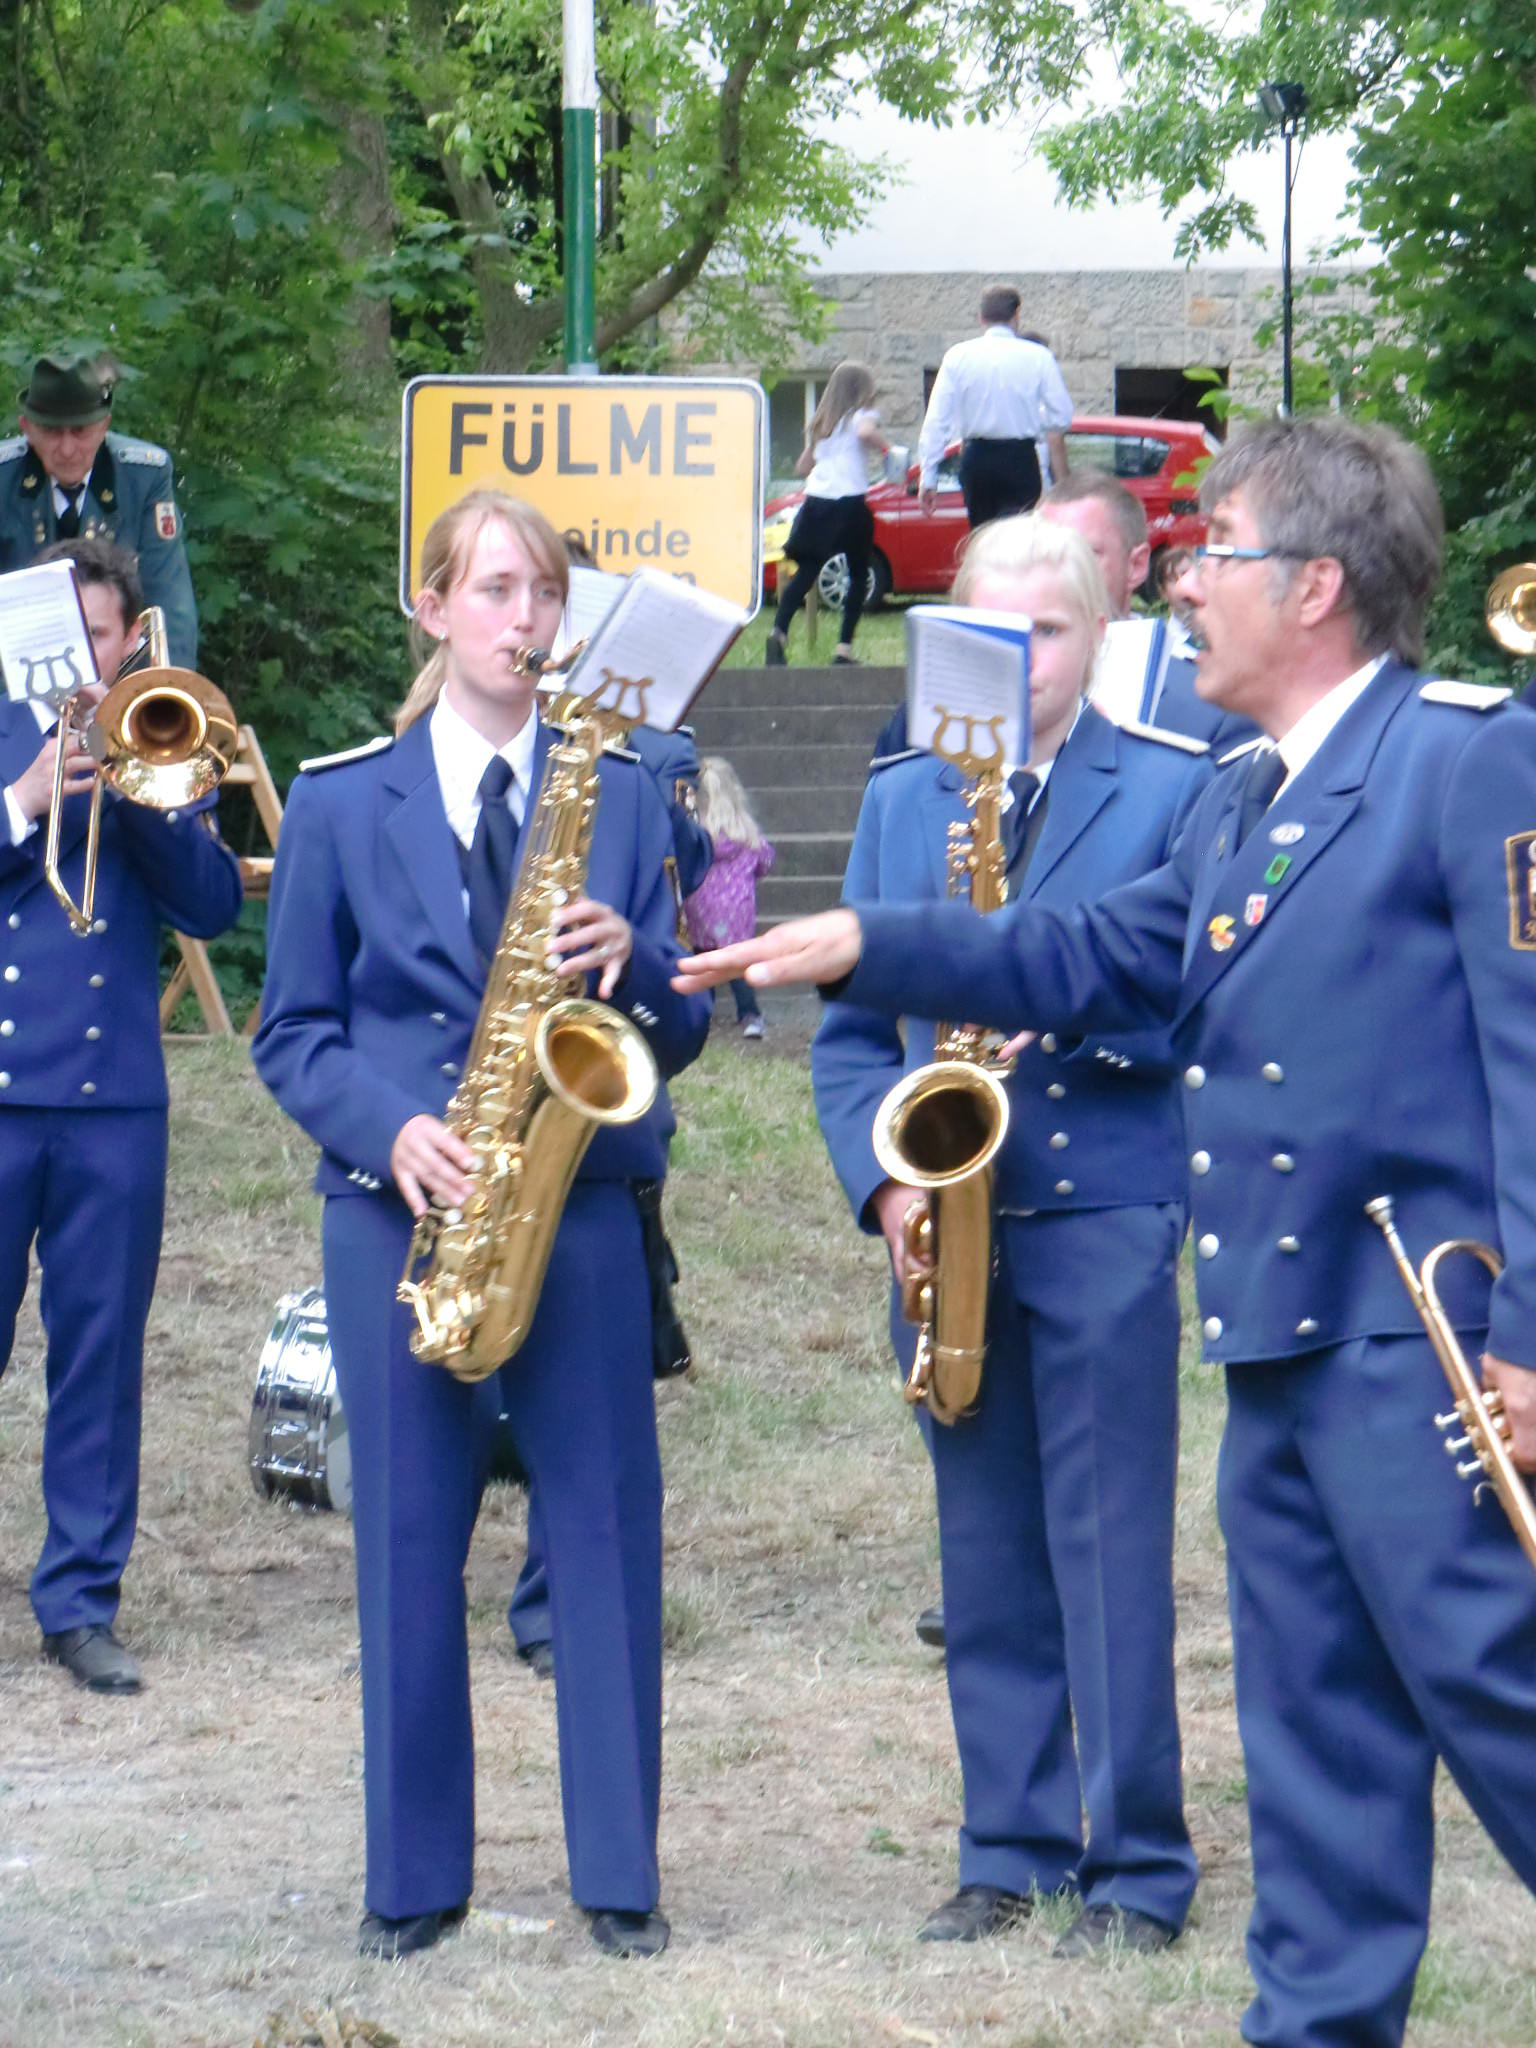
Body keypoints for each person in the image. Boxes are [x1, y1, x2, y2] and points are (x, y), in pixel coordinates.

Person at [676, 416, 1536, 2048]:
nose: (1184, 585)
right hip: (1278, 1347)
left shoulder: (1464, 757)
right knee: (1317, 1752)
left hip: (1421, 1355)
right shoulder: (1243, 797)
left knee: (1504, 1706)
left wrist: (1534, 1343)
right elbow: (1082, 954)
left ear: (1318, 587)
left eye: (1218, 553)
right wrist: (863, 939)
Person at [251, 489, 711, 1961]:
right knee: (404, 1537)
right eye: (498, 589)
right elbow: (291, 1031)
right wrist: (388, 1129)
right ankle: (412, 1881)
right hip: (398, 1215)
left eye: (546, 594)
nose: (526, 618)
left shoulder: (622, 791)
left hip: (579, 1207)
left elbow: (681, 1031)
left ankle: (620, 1876)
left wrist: (640, 965)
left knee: (605, 1532)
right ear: (434, 607)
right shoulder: (340, 798)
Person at [813, 515, 1207, 1955]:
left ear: (1098, 636)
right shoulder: (904, 793)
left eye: (1046, 630)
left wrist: (1078, 1016)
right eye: (989, 632)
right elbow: (850, 1036)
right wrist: (886, 1187)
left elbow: (1197, 1005)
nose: (1020, 658)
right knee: (982, 1551)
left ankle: (1139, 1866)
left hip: (1101, 1211)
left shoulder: (1174, 784)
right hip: (945, 1220)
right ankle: (1010, 1845)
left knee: (1110, 1552)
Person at [0, 535, 241, 1694]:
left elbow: (212, 902)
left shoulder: (162, 736)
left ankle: (80, 1602)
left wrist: (138, 788)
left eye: (98, 637)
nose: (80, 660)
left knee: (99, 1361)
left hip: (113, 1107)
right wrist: (25, 798)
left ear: (128, 640)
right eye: (62, 636)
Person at [1, 356, 198, 667]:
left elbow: (170, 604)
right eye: (51, 431)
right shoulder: (4, 478)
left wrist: (163, 690)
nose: (67, 450)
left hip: (118, 678)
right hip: (17, 676)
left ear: (104, 425)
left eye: (80, 431)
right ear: (27, 428)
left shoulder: (144, 477)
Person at [1040, 472, 1257, 751]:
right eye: (1039, 556)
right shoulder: (999, 689)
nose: (1053, 576)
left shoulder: (1214, 706)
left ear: (1136, 566)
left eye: (1081, 555)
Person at [918, 285, 1072, 529]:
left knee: (982, 536)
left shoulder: (958, 356)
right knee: (1021, 536)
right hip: (1020, 457)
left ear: (981, 317)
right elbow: (1062, 416)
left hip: (977, 457)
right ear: (1016, 315)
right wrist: (1034, 424)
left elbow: (937, 420)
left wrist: (928, 476)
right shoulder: (1038, 356)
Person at [766, 362, 889, 668]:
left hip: (816, 504)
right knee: (858, 574)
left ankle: (778, 633)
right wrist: (886, 449)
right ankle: (843, 649)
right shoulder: (863, 415)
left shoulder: (821, 424)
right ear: (862, 389)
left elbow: (802, 467)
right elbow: (866, 431)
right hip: (849, 503)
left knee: (806, 572)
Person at [683, 756, 776, 1039]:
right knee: (737, 965)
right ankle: (751, 1015)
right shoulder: (746, 832)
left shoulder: (695, 833)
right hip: (736, 911)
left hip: (700, 908)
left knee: (703, 961)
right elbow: (765, 863)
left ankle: (700, 1015)